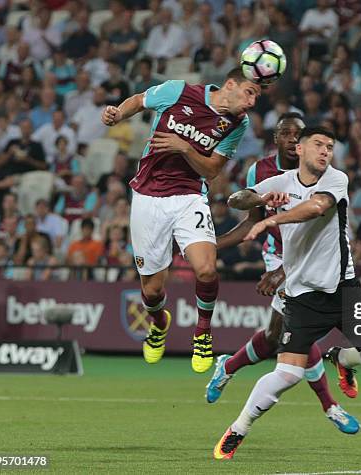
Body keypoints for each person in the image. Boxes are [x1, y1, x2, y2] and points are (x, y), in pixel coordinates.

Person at [212, 127, 361, 459]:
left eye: (330, 146)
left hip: (345, 292)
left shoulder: (336, 180)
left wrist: (271, 221)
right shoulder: (281, 182)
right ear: (300, 148)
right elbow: (237, 199)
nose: (325, 151)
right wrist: (261, 200)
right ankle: (237, 429)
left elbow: (316, 208)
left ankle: (342, 357)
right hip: (303, 298)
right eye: (318, 145)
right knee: (287, 375)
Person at [101, 67, 261, 372]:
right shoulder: (179, 91)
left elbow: (212, 170)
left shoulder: (237, 123)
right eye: (249, 93)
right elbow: (139, 100)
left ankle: (202, 332)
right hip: (148, 196)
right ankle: (159, 324)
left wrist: (184, 147)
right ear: (230, 84)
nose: (252, 102)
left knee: (206, 269)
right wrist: (118, 114)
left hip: (189, 195)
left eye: (256, 95)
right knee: (151, 292)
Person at [206, 115, 357, 435]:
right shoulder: (262, 171)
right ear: (276, 139)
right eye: (285, 133)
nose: (291, 138)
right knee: (295, 334)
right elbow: (249, 216)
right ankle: (330, 404)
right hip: (278, 254)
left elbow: (317, 218)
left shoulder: (327, 177)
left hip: (308, 261)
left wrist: (284, 272)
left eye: (297, 133)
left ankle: (228, 366)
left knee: (282, 336)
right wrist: (214, 245)